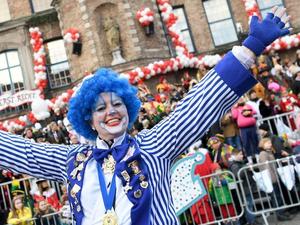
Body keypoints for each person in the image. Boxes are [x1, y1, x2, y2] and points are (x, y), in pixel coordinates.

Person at [0, 7, 291, 225]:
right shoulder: (72, 161)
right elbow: (23, 152)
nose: (111, 112)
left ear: (128, 107)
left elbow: (198, 105)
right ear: (88, 121)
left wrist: (250, 47)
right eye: (100, 108)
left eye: (117, 104)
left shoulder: (153, 146)